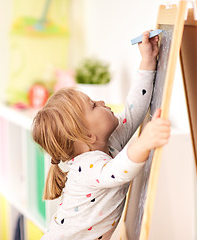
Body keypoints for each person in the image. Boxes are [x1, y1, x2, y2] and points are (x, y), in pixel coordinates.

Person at [31, 31, 171, 240]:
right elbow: (118, 171)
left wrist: (147, 61)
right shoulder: (87, 167)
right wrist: (145, 142)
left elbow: (133, 112)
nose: (102, 103)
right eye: (94, 106)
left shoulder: (109, 143)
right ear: (87, 135)